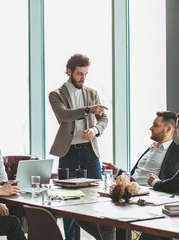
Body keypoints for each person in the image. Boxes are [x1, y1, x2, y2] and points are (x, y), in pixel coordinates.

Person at [76, 111, 179, 240]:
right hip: (129, 195)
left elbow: (173, 183)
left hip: (148, 200)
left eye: (155, 125)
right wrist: (117, 171)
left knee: (106, 224)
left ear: (168, 129)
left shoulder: (178, 153)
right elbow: (135, 177)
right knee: (81, 215)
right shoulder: (151, 148)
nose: (150, 128)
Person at [49, 53, 108, 240]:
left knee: (97, 197)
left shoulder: (92, 93)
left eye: (86, 74)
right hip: (69, 153)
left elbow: (104, 118)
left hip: (90, 151)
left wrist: (96, 130)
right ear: (69, 72)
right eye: (79, 74)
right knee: (69, 202)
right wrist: (88, 110)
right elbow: (64, 115)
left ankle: (103, 237)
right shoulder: (56, 95)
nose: (83, 78)